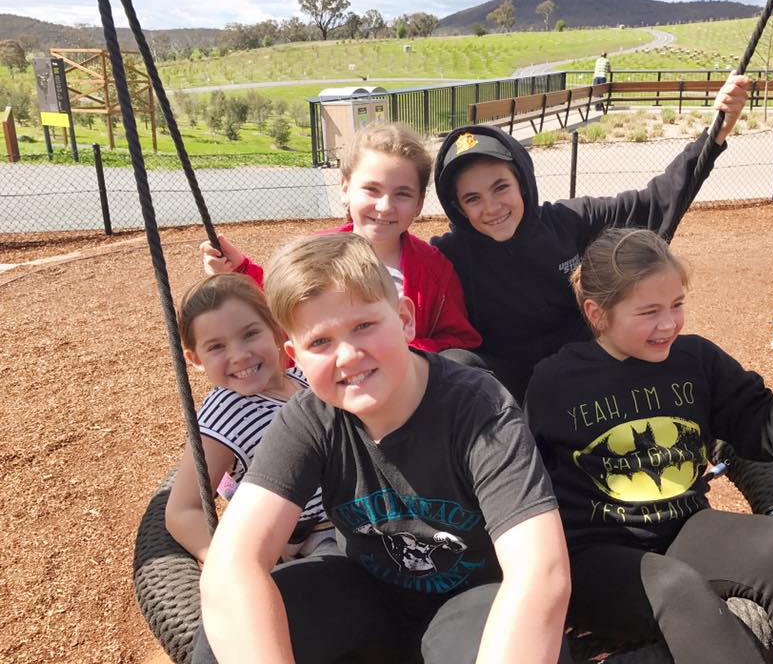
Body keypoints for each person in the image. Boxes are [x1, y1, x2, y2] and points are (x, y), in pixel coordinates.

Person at [192, 233, 572, 664]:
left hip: (468, 604)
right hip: (366, 594)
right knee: (231, 623)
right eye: (321, 342)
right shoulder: (311, 417)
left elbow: (541, 572)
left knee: (536, 637)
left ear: (405, 319)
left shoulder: (479, 409)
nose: (349, 355)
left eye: (364, 326)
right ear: (294, 355)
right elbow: (232, 565)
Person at [524, 228, 773, 664]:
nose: (669, 324)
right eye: (649, 311)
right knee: (676, 587)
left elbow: (768, 437)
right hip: (596, 555)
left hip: (683, 527)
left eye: (677, 305)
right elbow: (525, 486)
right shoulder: (555, 381)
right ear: (597, 313)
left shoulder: (696, 361)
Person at [430, 73, 750, 400]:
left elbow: (654, 203)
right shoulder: (446, 256)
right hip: (506, 393)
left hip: (583, 376)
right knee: (448, 364)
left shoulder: (568, 221)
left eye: (501, 188)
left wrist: (715, 135)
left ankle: (718, 438)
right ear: (457, 208)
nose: (491, 207)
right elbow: (388, 265)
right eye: (473, 199)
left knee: (683, 355)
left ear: (522, 183)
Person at [200, 122, 481, 354]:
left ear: (419, 203)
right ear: (345, 189)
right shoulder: (315, 253)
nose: (385, 206)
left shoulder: (434, 270)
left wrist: (405, 349)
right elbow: (280, 305)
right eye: (372, 189)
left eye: (402, 194)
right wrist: (239, 271)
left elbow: (461, 342)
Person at [165, 274, 332, 563]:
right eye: (216, 347)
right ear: (196, 360)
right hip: (320, 540)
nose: (240, 355)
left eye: (250, 334)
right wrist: (235, 567)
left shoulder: (304, 377)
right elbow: (182, 510)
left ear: (277, 331)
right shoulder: (225, 415)